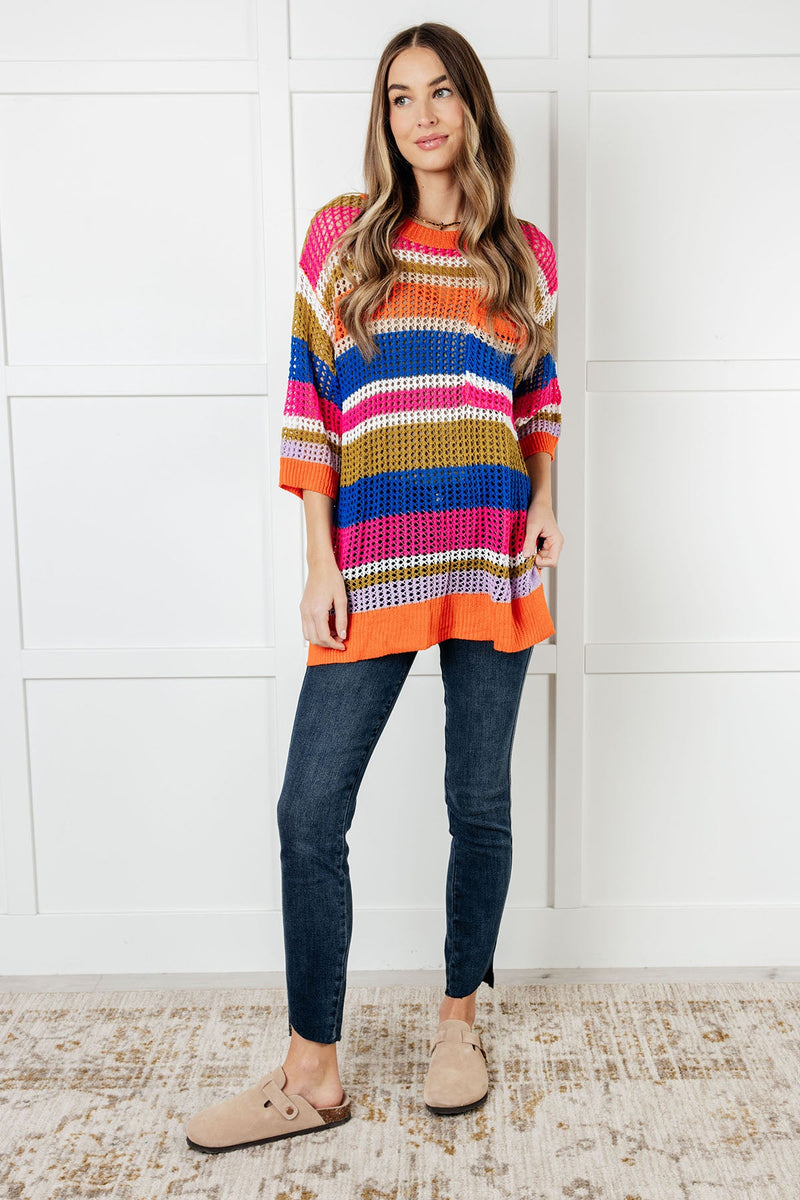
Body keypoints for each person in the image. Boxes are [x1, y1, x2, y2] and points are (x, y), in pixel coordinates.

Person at [185, 20, 564, 1154]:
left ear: (472, 107)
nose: (421, 115)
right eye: (400, 97)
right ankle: (311, 1073)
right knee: (310, 810)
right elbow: (310, 400)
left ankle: (459, 1024)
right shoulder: (341, 239)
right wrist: (319, 558)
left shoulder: (524, 255)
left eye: (440, 92)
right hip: (375, 560)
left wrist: (546, 500)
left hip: (491, 553)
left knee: (478, 802)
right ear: (382, 119)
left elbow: (537, 398)